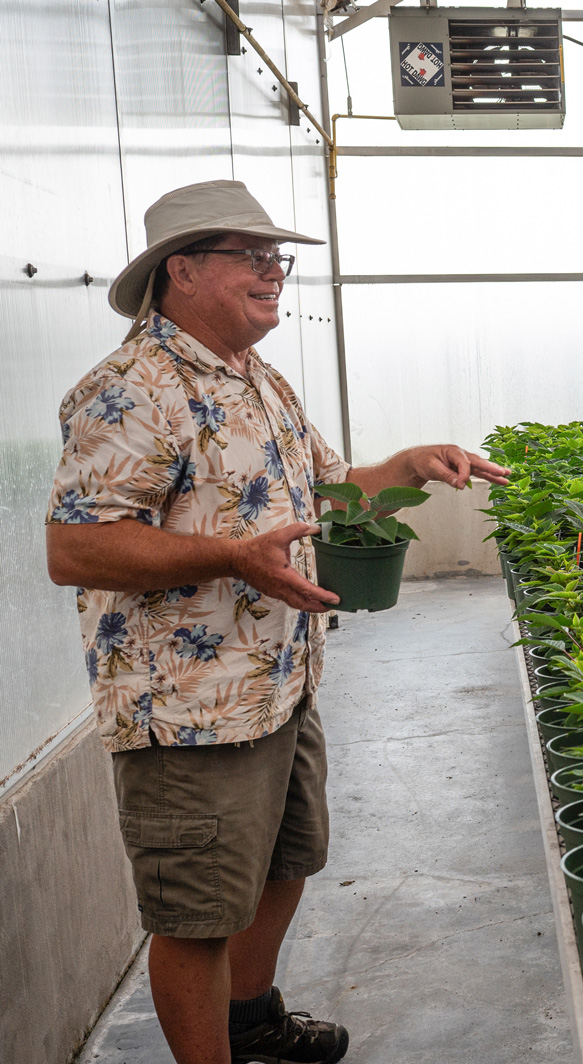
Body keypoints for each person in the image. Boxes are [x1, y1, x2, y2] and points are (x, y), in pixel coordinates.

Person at [44, 181, 509, 1064]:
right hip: (190, 711)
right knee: (196, 917)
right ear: (181, 272)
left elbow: (328, 492)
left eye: (276, 258)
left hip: (278, 683)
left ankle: (250, 1025)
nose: (273, 272)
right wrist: (230, 557)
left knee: (284, 865)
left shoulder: (258, 378)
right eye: (250, 257)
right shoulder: (130, 389)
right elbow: (77, 549)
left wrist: (404, 463)